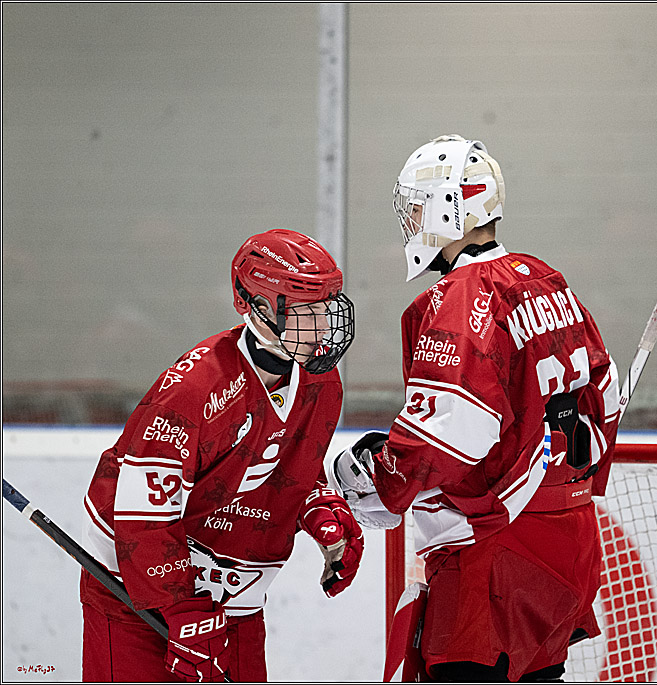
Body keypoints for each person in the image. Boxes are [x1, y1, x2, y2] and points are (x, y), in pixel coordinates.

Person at [326, 135, 621, 682]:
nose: (412, 221)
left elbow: (452, 432)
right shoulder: (546, 279)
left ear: (448, 208)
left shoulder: (461, 297)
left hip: (494, 552)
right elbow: (604, 397)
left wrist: (383, 478)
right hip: (569, 540)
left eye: (418, 207)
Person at [80, 229, 364, 682]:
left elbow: (286, 470)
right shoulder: (195, 389)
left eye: (325, 308)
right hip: (135, 594)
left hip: (231, 598)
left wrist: (319, 509)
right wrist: (180, 608)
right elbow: (142, 515)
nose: (323, 326)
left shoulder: (322, 385)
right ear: (258, 306)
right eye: (305, 310)